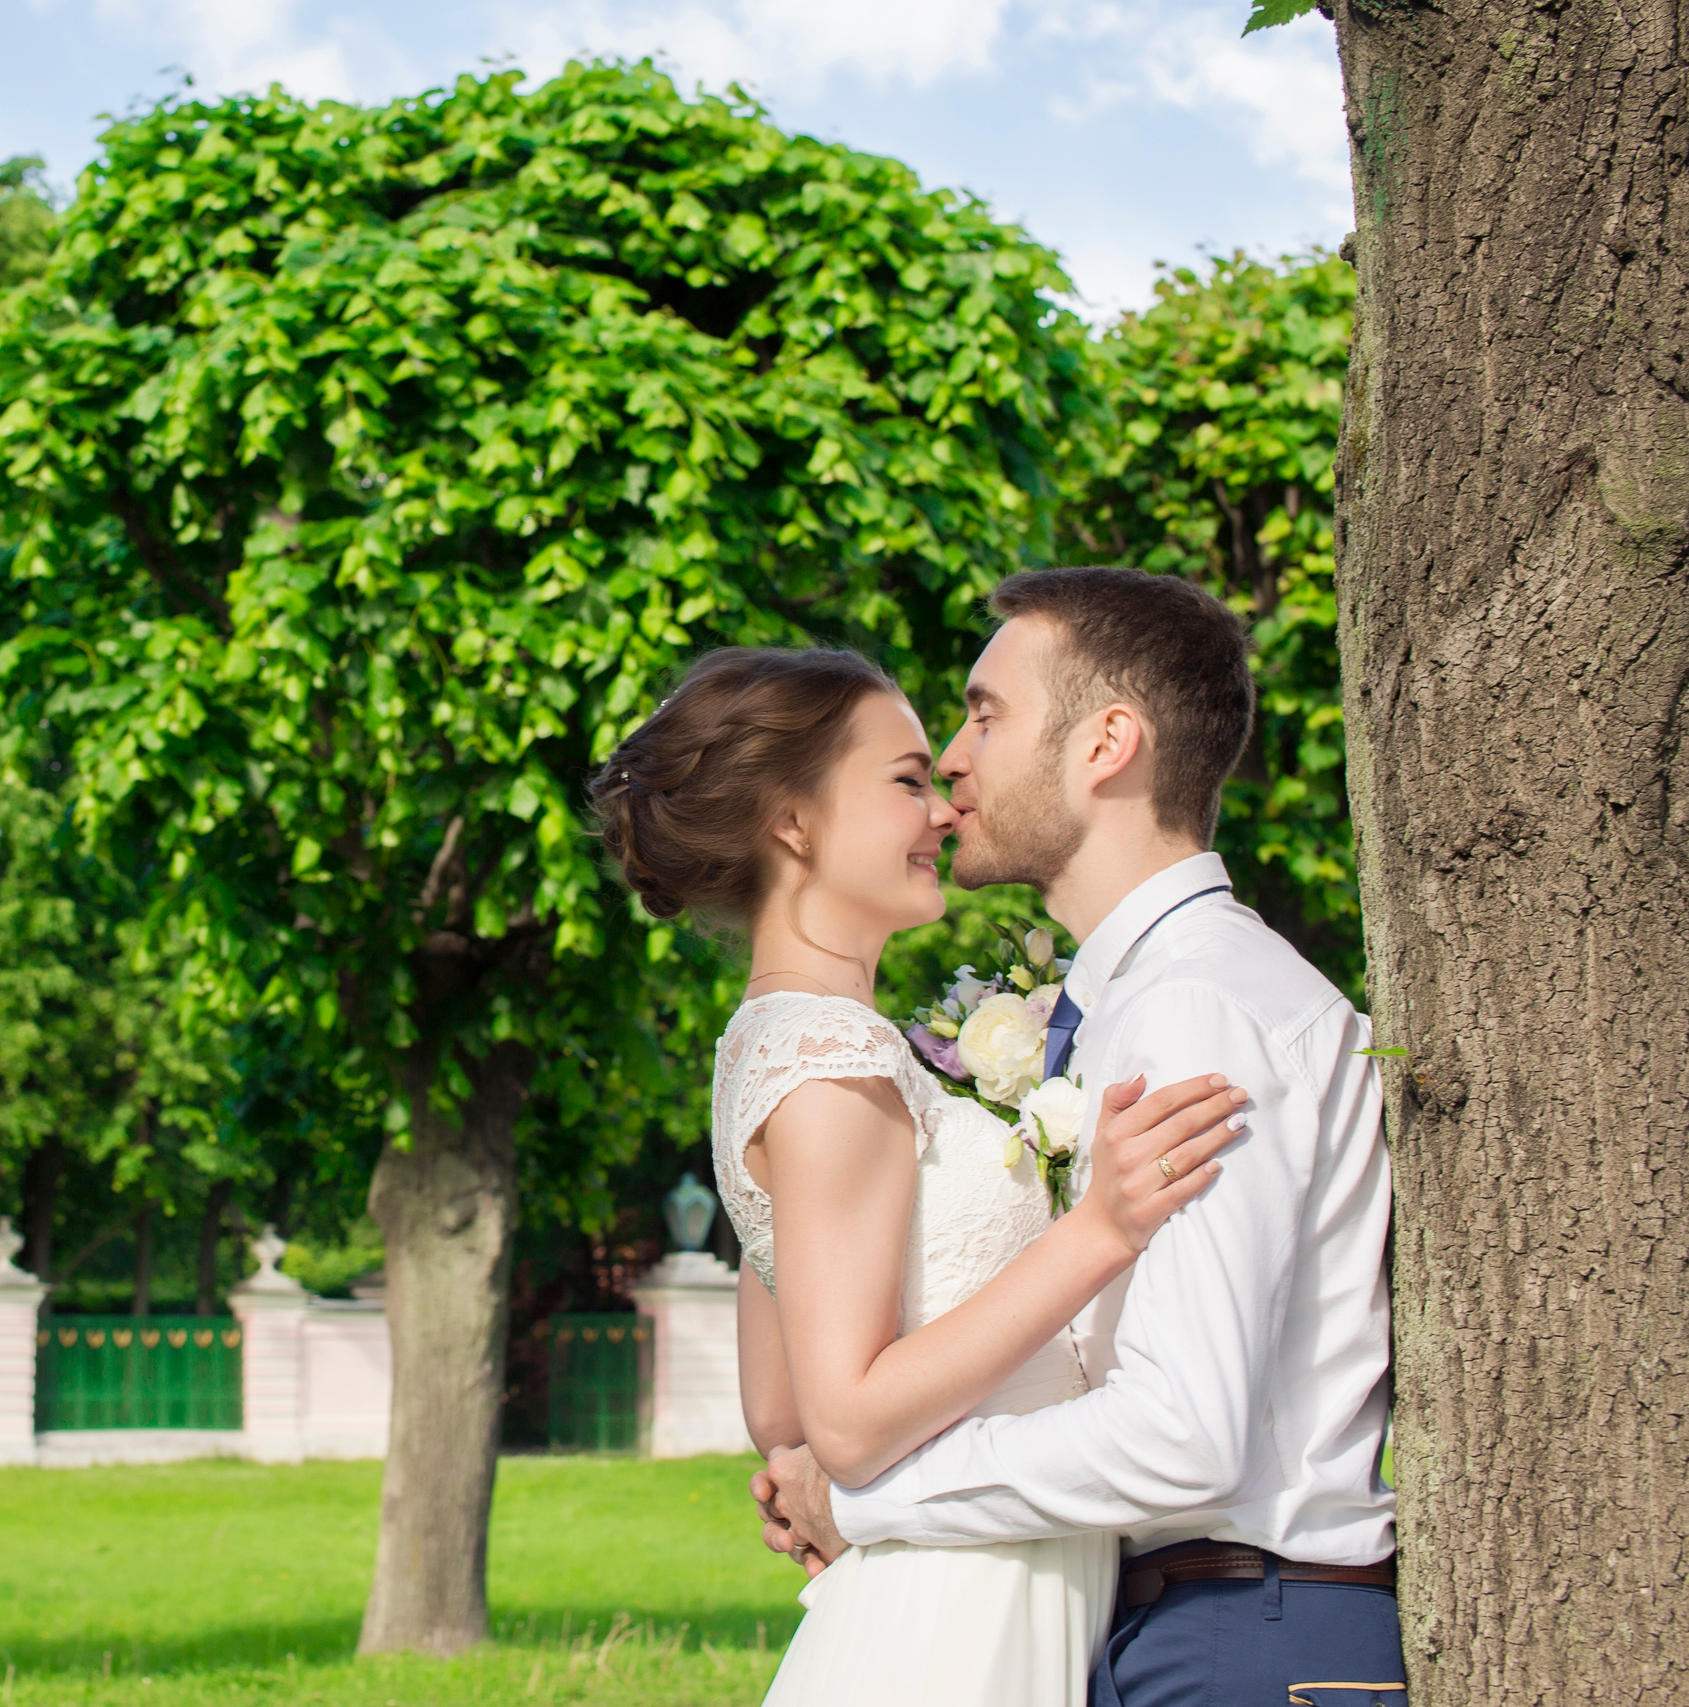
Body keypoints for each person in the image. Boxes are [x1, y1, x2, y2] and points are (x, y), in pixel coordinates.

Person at [753, 568, 1403, 1706]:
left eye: (986, 715)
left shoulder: (1198, 1011)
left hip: (1242, 1640)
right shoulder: (1138, 1001)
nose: (953, 760)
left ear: (1107, 743)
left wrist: (874, 1499)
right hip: (1185, 1625)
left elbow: (1180, 1433)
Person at [589, 642, 1249, 1705]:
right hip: (965, 1603)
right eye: (904, 781)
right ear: (792, 822)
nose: (942, 811)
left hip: (962, 1575)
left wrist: (803, 1478)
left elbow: (781, 1411)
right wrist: (1101, 1229)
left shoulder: (773, 1043)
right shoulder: (833, 1065)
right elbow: (846, 1422)